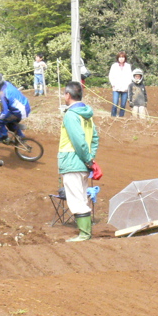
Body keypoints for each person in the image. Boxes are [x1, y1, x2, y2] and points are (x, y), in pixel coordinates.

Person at [58, 81, 99, 242]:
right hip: (82, 163)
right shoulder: (87, 115)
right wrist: (90, 159)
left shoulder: (71, 115)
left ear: (68, 95)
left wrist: (88, 160)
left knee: (76, 199)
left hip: (72, 162)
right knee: (82, 197)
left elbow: (78, 140)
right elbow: (94, 138)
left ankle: (84, 234)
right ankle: (85, 233)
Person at [0, 72, 31, 144]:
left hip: (19, 112)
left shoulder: (3, 95)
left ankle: (3, 137)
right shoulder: (5, 84)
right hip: (25, 107)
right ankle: (21, 137)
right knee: (9, 122)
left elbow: (5, 112)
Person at [108, 51, 132, 117]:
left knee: (123, 105)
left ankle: (121, 117)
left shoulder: (128, 66)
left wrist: (128, 86)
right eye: (120, 57)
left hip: (125, 88)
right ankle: (113, 116)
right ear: (118, 58)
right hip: (116, 88)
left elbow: (130, 76)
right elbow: (111, 76)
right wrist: (113, 84)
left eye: (123, 57)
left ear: (125, 58)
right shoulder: (114, 66)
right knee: (115, 103)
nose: (121, 59)